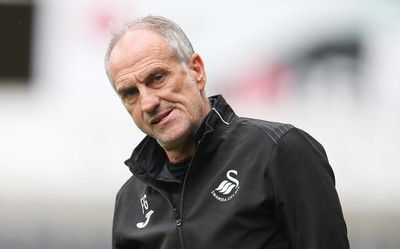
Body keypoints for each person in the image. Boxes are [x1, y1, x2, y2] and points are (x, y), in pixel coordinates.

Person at [104, 15, 350, 249]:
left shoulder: (278, 151)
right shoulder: (129, 201)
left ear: (197, 71)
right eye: (130, 93)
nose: (148, 103)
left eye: (157, 78)